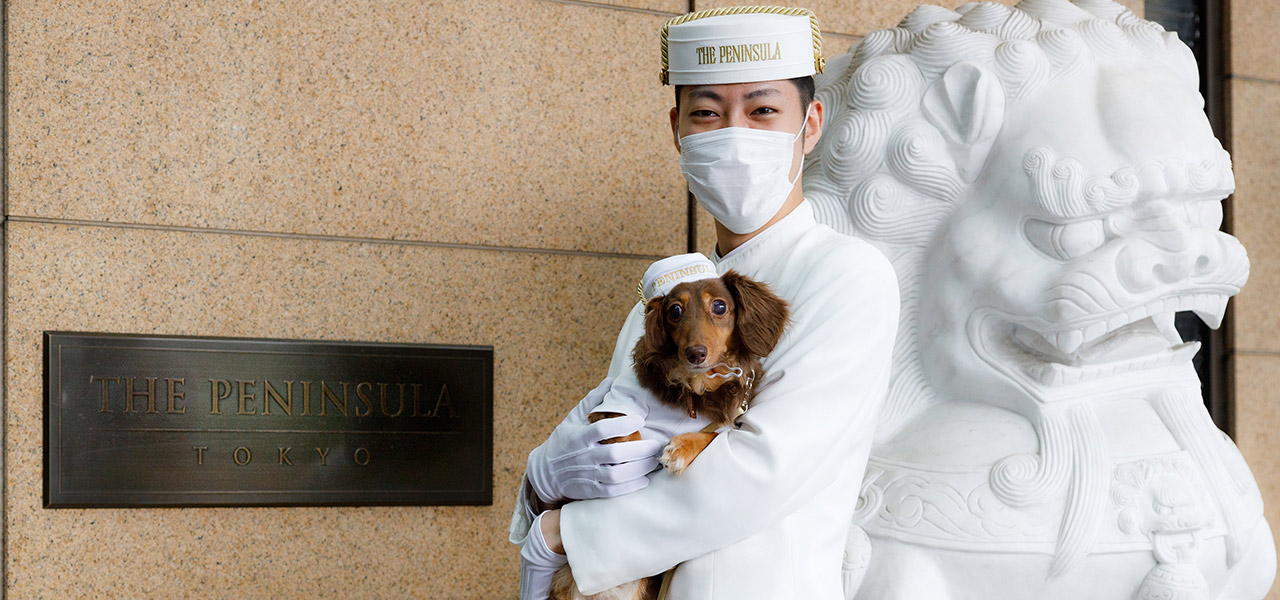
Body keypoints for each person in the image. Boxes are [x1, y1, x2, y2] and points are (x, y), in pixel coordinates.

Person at [512, 6, 900, 599]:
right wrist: (544, 474)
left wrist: (566, 532)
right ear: (677, 129)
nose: (735, 134)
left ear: (812, 122)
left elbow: (760, 472)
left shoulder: (847, 275)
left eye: (763, 110)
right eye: (707, 113)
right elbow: (608, 439)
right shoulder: (668, 299)